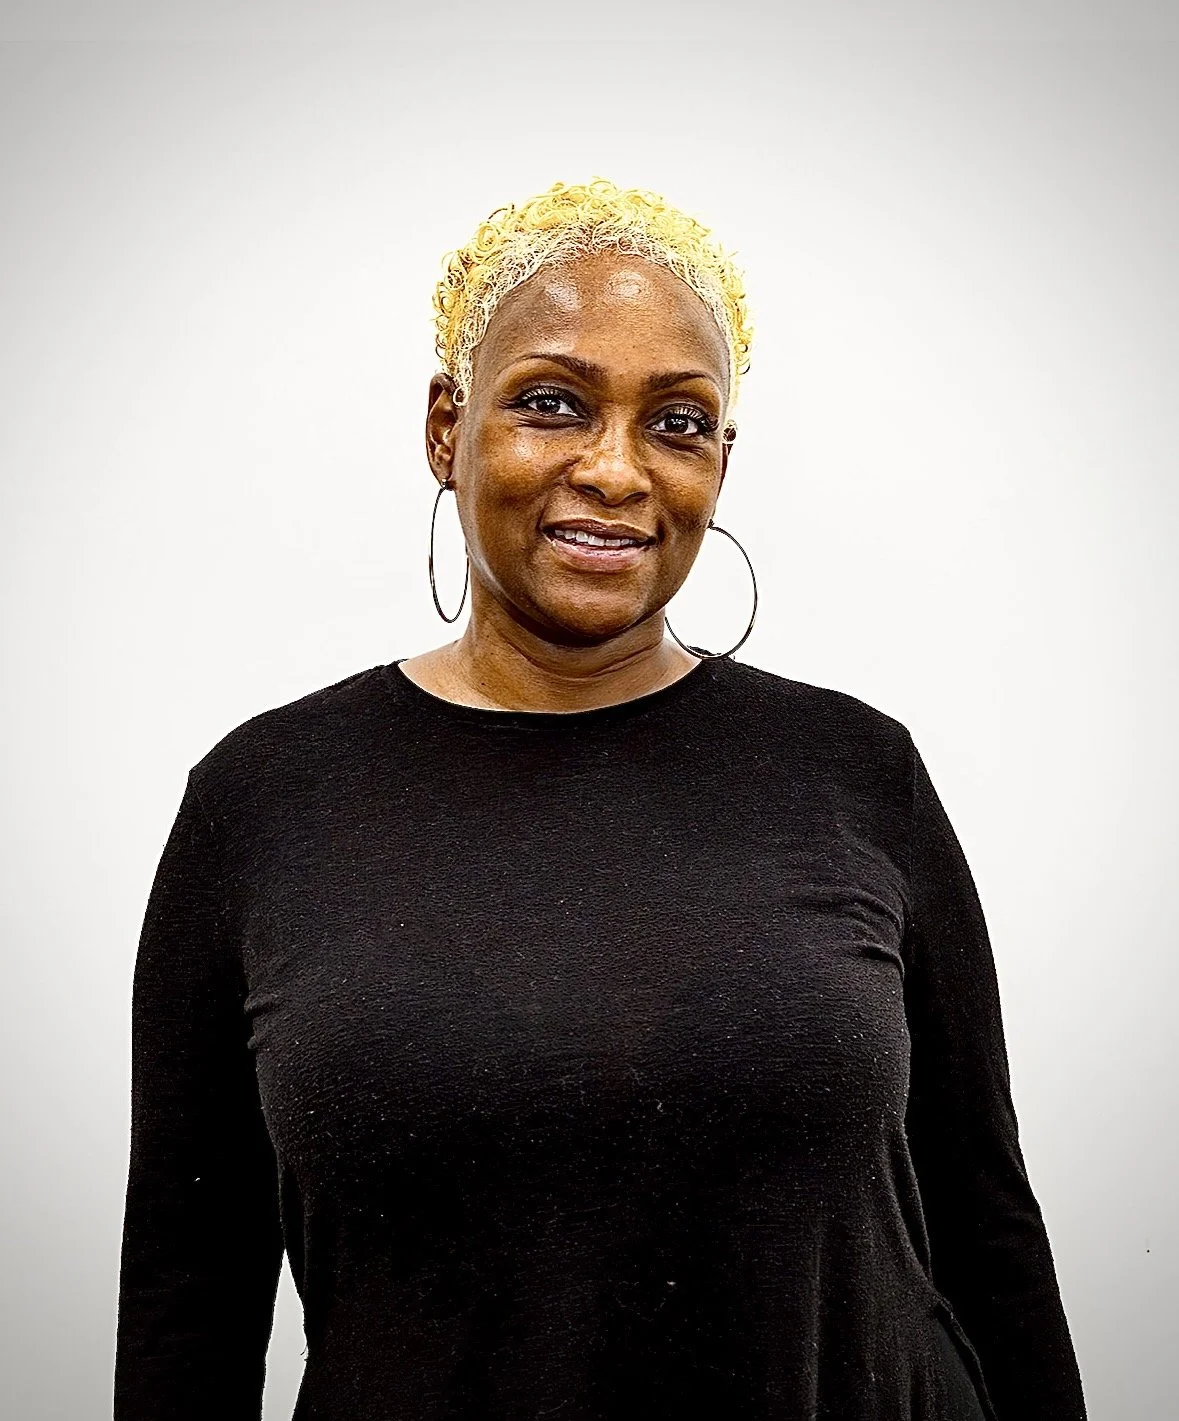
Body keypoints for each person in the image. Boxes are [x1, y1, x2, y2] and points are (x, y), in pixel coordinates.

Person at [113, 177, 1088, 1420]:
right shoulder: (260, 803)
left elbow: (988, 1225)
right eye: (553, 404)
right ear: (444, 427)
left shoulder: (857, 772)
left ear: (722, 463)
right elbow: (188, 1300)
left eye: (678, 424)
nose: (616, 470)